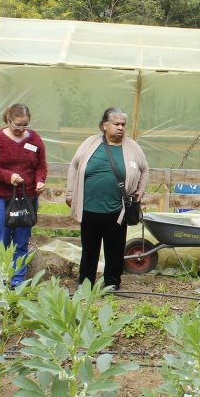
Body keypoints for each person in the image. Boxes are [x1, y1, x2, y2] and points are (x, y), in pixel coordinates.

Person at [67, 107, 150, 291]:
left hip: (117, 210)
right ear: (105, 125)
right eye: (116, 124)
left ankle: (112, 282)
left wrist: (140, 191)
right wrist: (70, 193)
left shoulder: (132, 147)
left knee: (115, 249)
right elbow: (74, 166)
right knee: (90, 249)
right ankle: (85, 282)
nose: (120, 128)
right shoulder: (90, 143)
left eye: (123, 124)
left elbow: (145, 169)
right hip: (89, 208)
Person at [0, 104, 47, 287]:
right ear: (8, 120)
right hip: (1, 198)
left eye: (25, 125)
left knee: (21, 240)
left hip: (27, 199)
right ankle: (1, 279)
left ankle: (17, 281)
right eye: (17, 125)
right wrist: (9, 176)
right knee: (1, 240)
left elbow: (40, 166)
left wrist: (40, 180)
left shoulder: (34, 139)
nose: (21, 129)